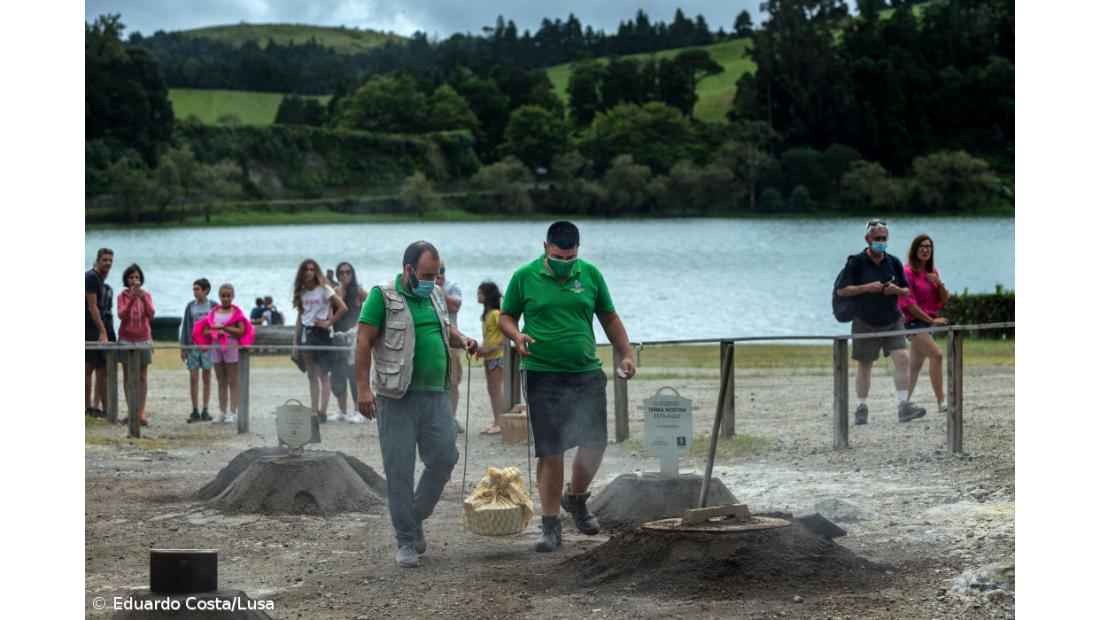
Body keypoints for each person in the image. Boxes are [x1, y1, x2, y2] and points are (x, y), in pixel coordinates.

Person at [498, 221, 636, 553]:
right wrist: (516, 336)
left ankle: (575, 498)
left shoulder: (589, 274)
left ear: (578, 251)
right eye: (559, 256)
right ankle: (549, 526)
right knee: (551, 450)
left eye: (570, 256)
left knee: (594, 443)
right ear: (545, 247)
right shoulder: (524, 276)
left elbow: (610, 318)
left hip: (585, 371)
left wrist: (627, 353)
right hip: (542, 373)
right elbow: (506, 316)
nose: (564, 262)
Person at [355, 241, 478, 568]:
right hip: (396, 397)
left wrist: (463, 339)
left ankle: (415, 514)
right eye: (426, 275)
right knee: (399, 468)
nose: (432, 281)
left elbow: (446, 330)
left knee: (444, 457)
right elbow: (364, 340)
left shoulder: (435, 294)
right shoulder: (381, 297)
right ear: (408, 269)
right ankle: (406, 540)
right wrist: (362, 389)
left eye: (436, 274)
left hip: (436, 393)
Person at [834, 219, 927, 426]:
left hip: (892, 319)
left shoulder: (893, 262)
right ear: (868, 239)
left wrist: (896, 290)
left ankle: (903, 406)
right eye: (877, 239)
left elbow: (906, 290)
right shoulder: (855, 262)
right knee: (865, 364)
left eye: (884, 238)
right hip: (864, 320)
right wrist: (866, 287)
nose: (881, 242)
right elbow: (842, 290)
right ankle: (861, 407)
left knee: (903, 358)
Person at [899, 234, 951, 413]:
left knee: (914, 366)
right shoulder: (906, 272)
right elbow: (908, 304)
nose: (925, 249)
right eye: (921, 246)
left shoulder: (932, 272)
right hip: (913, 323)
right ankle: (942, 402)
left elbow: (943, 300)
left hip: (926, 325)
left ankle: (903, 405)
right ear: (915, 250)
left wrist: (940, 283)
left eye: (928, 247)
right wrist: (931, 320)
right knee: (937, 355)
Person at [292, 259, 347, 423]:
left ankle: (322, 412)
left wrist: (329, 323)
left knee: (323, 373)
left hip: (321, 333)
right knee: (311, 375)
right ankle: (314, 411)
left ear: (316, 272)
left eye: (311, 270)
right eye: (306, 270)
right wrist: (295, 341)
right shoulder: (301, 293)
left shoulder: (324, 289)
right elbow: (300, 318)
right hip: (306, 334)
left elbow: (343, 307)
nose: (309, 273)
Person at [194, 284, 255, 424]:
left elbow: (241, 330)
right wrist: (217, 332)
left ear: (233, 296)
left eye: (228, 296)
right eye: (223, 296)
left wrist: (225, 329)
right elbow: (205, 331)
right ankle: (222, 411)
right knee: (221, 381)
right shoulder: (214, 313)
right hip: (216, 348)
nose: (226, 299)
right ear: (219, 296)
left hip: (232, 348)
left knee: (233, 381)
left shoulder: (236, 313)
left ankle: (233, 412)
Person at [330, 261, 368, 424]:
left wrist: (361, 325)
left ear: (352, 274)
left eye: (347, 272)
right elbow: (330, 313)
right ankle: (342, 410)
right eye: (341, 273)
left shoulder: (358, 291)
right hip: (338, 336)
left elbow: (372, 304)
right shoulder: (335, 292)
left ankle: (358, 411)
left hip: (353, 337)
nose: (344, 275)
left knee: (354, 374)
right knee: (338, 373)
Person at [117, 263, 155, 426]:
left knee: (142, 375)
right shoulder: (122, 296)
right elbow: (121, 315)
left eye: (137, 277)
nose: (134, 280)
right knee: (127, 375)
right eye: (132, 277)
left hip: (143, 338)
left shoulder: (146, 295)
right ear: (127, 279)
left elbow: (151, 314)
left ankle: (140, 411)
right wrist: (132, 298)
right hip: (126, 338)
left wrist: (143, 298)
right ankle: (130, 409)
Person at [85, 248, 115, 419]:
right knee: (99, 368)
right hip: (91, 328)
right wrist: (102, 330)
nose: (108, 263)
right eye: (104, 260)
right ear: (97, 261)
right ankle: (104, 409)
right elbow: (92, 306)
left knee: (91, 367)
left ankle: (92, 408)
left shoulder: (100, 281)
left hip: (94, 327)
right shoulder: (91, 278)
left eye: (110, 260)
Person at [181, 278, 216, 423]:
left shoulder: (213, 306)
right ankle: (195, 410)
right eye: (194, 289)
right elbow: (185, 327)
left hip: (208, 347)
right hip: (193, 346)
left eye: (197, 289)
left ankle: (205, 410)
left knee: (207, 377)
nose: (195, 292)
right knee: (193, 377)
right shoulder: (190, 306)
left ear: (206, 290)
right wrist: (184, 347)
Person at [435, 259, 465, 434]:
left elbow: (456, 306)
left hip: (451, 342)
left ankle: (451, 418)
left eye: (442, 270)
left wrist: (439, 291)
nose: (439, 274)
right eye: (436, 270)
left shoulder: (452, 286)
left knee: (453, 382)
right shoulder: (425, 285)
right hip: (434, 340)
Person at [476, 281, 505, 435]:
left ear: (487, 295)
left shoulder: (495, 314)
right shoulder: (486, 315)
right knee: (491, 389)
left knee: (496, 389)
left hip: (497, 356)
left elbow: (504, 333)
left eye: (480, 293)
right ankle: (496, 421)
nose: (478, 296)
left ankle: (500, 423)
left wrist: (490, 349)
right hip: (489, 356)